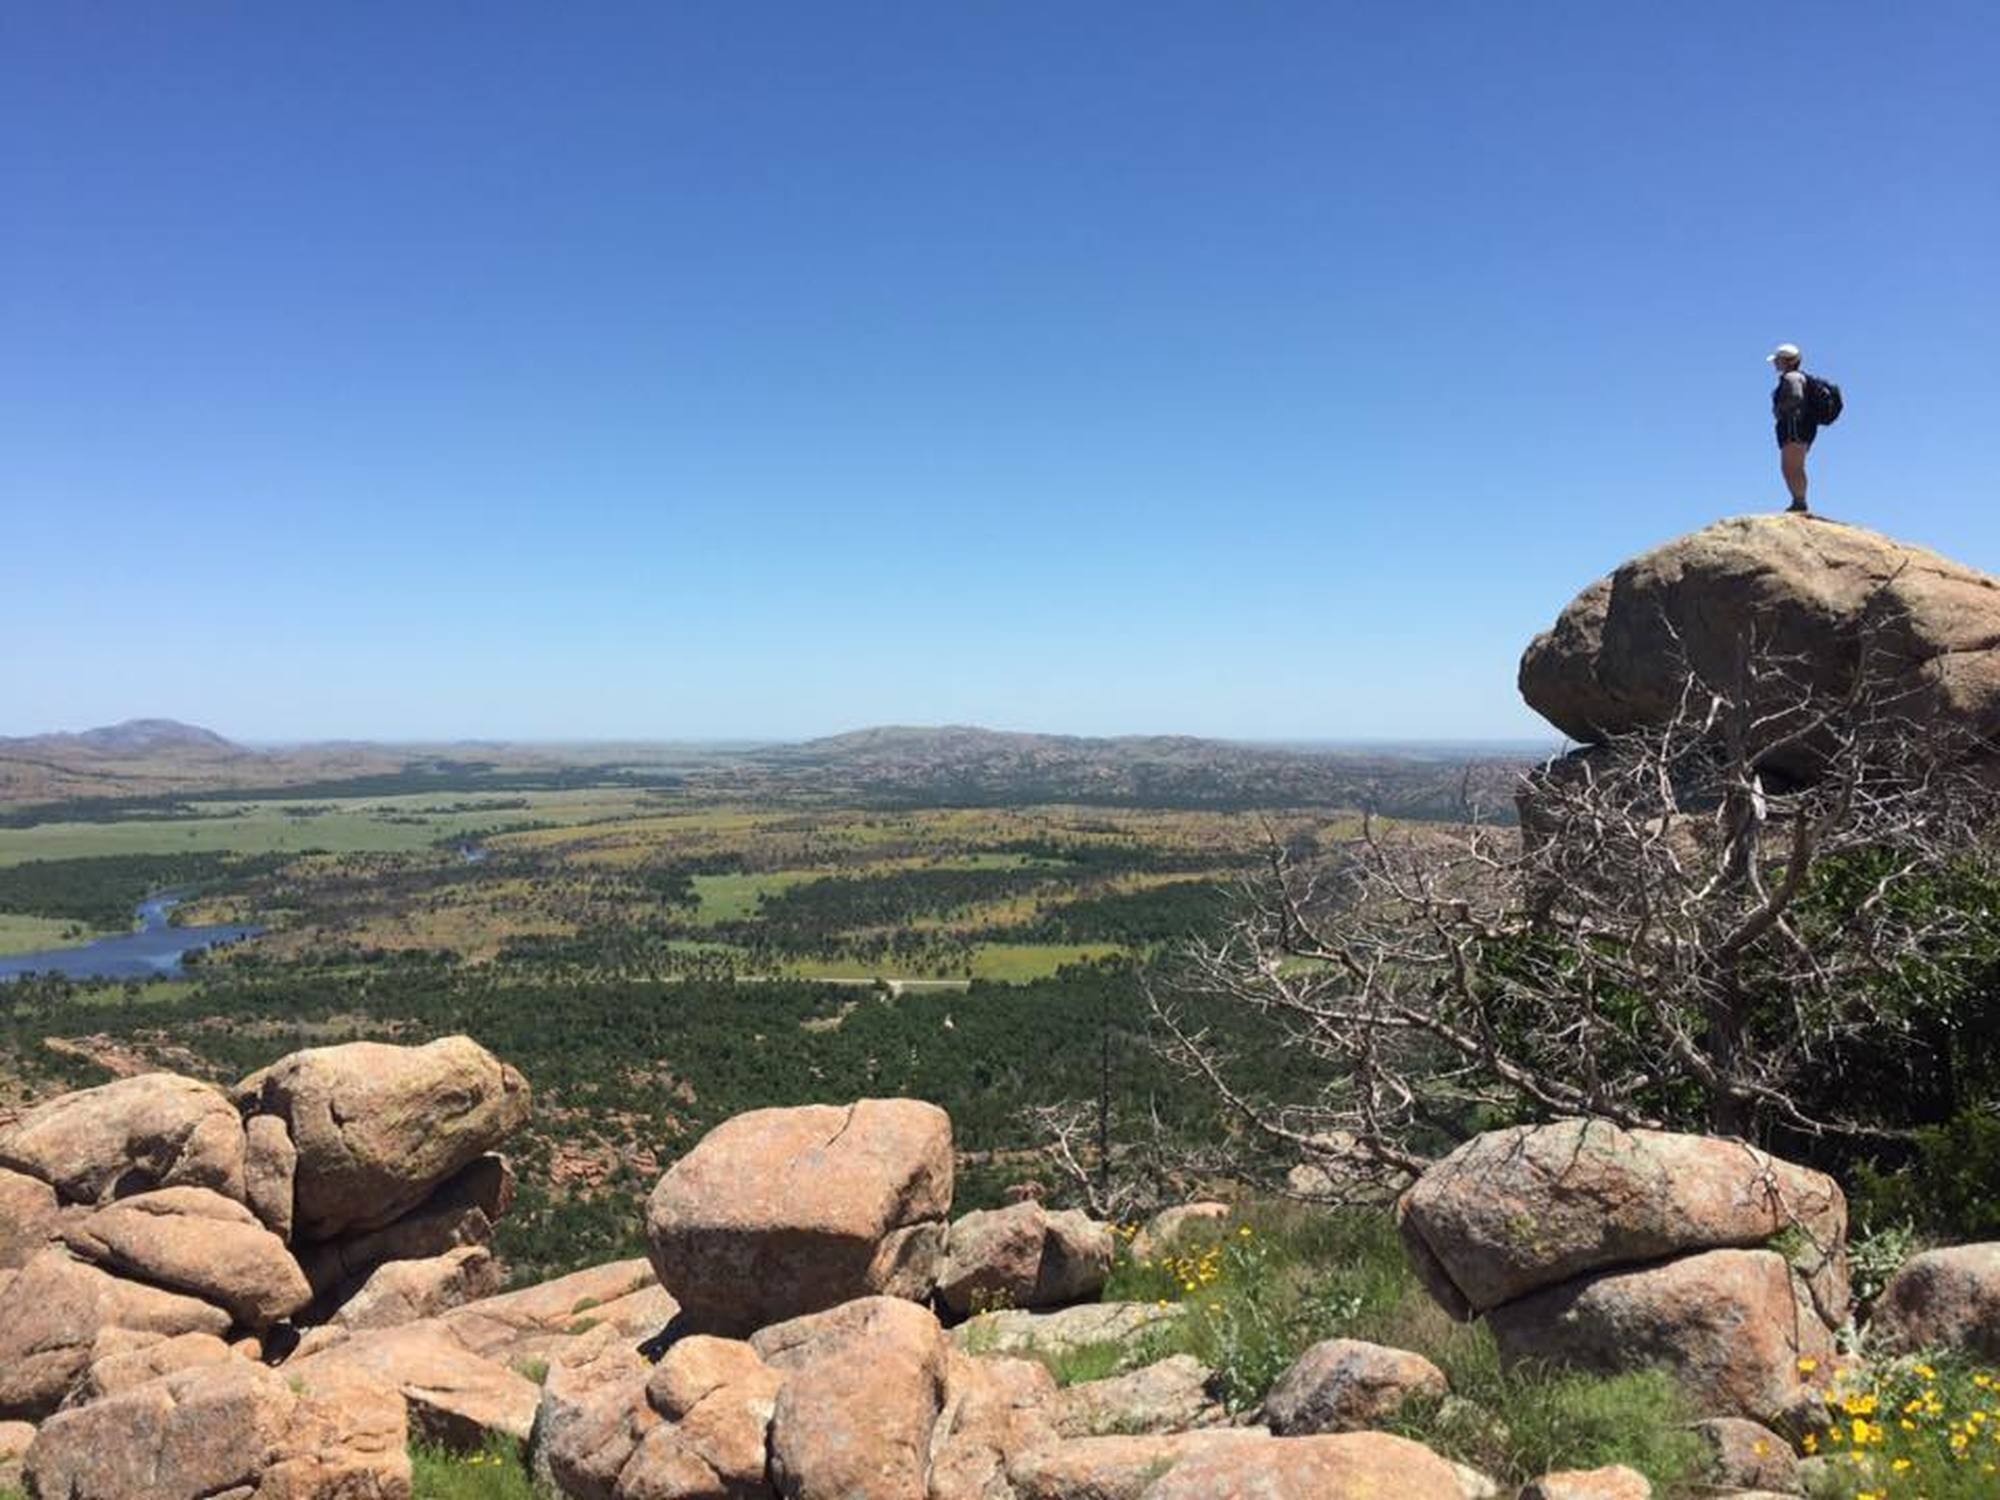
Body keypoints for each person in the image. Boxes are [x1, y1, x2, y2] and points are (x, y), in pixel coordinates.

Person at [1768, 342, 1815, 513]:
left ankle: (1799, 502)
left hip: (1794, 426)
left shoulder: (1792, 378)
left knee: (1791, 466)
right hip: (1800, 426)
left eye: (1777, 360)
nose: (1775, 363)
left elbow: (1796, 396)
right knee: (1793, 466)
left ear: (1786, 361)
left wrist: (1782, 410)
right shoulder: (1797, 376)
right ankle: (1799, 501)